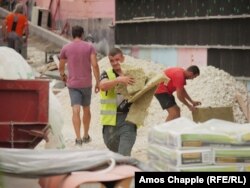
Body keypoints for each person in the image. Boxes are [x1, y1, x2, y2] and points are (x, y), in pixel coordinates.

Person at [59, 25, 100, 147]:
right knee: (86, 109)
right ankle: (86, 136)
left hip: (73, 84)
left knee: (75, 110)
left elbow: (61, 67)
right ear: (82, 34)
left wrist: (63, 76)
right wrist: (98, 81)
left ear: (72, 34)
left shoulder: (66, 48)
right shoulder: (89, 47)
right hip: (86, 83)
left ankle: (78, 139)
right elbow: (94, 65)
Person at [99, 47, 137, 156]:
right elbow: (102, 86)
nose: (115, 63)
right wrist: (118, 80)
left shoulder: (132, 73)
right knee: (115, 155)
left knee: (124, 156)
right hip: (110, 122)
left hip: (128, 120)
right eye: (112, 61)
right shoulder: (107, 73)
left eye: (117, 59)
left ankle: (126, 171)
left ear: (123, 58)